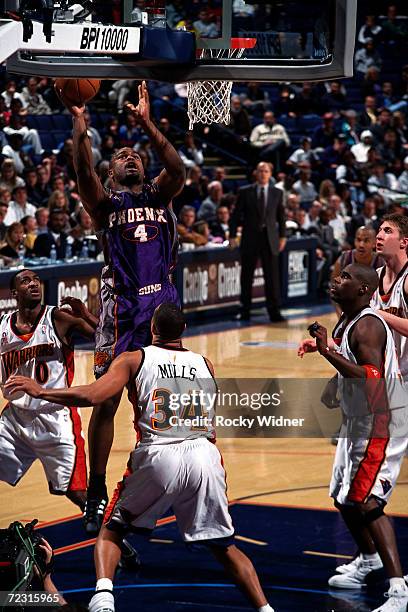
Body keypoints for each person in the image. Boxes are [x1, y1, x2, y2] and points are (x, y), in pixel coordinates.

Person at [6, 303, 275, 612]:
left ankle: (104, 597)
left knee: (113, 528)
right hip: (205, 456)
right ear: (184, 331)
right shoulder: (206, 363)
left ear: (151, 329)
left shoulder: (135, 358)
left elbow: (93, 395)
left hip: (160, 453)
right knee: (223, 546)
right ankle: (265, 609)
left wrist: (40, 391)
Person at [62, 79, 185, 533]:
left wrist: (149, 124)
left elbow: (177, 168)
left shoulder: (160, 194)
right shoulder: (106, 203)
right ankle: (96, 493)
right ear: (112, 173)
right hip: (120, 312)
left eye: (136, 155)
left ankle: (163, 480)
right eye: (121, 157)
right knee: (107, 403)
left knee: (164, 402)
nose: (130, 157)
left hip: (163, 308)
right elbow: (82, 174)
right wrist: (81, 127)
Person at [298, 264, 408, 611]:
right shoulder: (348, 321)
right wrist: (334, 378)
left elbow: (372, 378)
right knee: (343, 496)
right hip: (357, 420)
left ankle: (398, 589)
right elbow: (352, 364)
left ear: (363, 290)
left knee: (368, 501)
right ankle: (369, 558)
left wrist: (328, 352)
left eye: (345, 278)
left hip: (381, 421)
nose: (336, 281)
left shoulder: (369, 326)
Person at [0, 269, 97, 511]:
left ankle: (116, 538)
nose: (33, 283)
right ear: (14, 293)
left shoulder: (57, 318)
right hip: (15, 419)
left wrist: (85, 314)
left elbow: (103, 336)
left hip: (55, 416)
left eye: (35, 280)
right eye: (25, 281)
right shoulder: (3, 326)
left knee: (77, 494)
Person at [230, 162, 286, 322]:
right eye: (260, 170)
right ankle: (244, 310)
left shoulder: (277, 193)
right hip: (250, 238)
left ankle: (274, 312)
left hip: (270, 239)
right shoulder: (245, 191)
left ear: (270, 174)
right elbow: (235, 216)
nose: (262, 173)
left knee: (272, 278)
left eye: (266, 171)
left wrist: (283, 236)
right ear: (256, 173)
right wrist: (232, 235)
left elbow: (281, 217)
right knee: (246, 277)